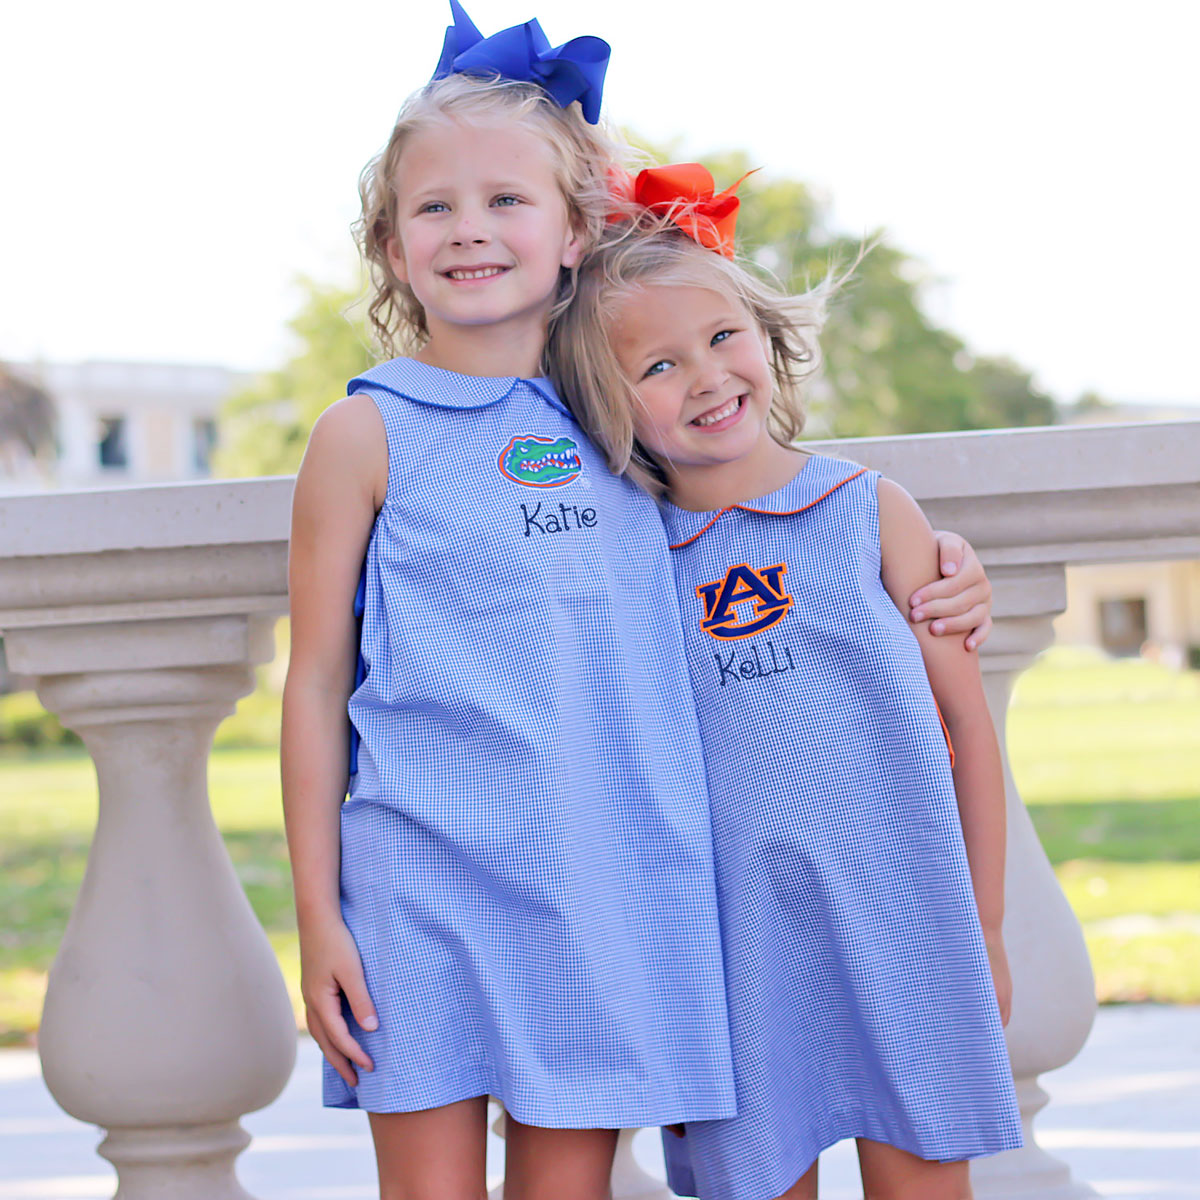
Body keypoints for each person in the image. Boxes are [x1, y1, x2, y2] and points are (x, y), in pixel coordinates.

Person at [281, 3, 996, 1194]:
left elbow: (785, 511)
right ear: (391, 246)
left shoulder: (627, 428)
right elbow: (312, 680)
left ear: (575, 231)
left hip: (598, 900)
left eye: (507, 199)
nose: (470, 229)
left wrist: (937, 567)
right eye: (434, 207)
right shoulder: (361, 433)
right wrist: (317, 913)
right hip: (415, 889)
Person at [547, 175, 1023, 1200]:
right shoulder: (631, 567)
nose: (708, 377)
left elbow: (968, 735)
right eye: (659, 365)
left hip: (908, 931)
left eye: (724, 336)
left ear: (766, 334)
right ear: (604, 406)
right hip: (736, 961)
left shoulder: (872, 513)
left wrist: (982, 929)